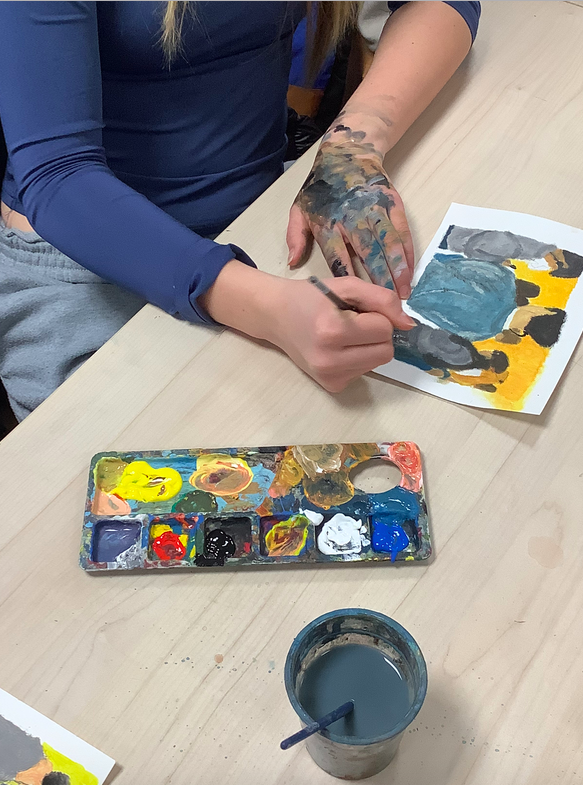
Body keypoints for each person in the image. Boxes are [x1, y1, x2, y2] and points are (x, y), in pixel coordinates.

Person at [0, 1, 480, 421]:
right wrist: (270, 310)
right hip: (86, 261)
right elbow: (57, 173)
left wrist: (354, 142)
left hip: (262, 218)